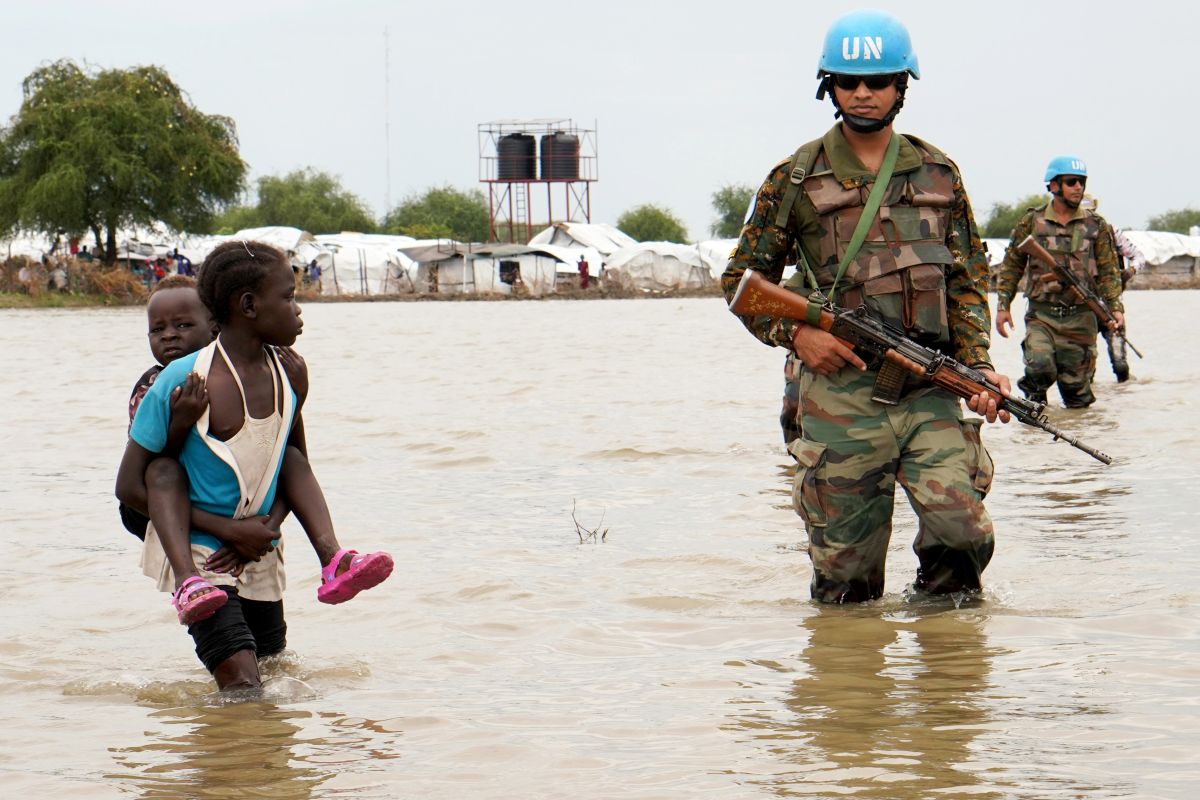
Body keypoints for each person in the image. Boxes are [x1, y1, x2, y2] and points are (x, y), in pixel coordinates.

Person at [723, 9, 1010, 604]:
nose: (862, 93)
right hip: (842, 394)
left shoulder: (938, 172)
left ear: (902, 85)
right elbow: (740, 283)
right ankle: (853, 692)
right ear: (828, 86)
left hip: (930, 387)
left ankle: (946, 670)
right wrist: (797, 336)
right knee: (847, 582)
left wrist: (978, 364)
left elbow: (965, 281)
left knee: (962, 536)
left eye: (878, 81)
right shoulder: (796, 177)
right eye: (848, 81)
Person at [116, 242, 394, 690]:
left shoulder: (288, 373)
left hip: (258, 542)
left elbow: (291, 461)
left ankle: (335, 559)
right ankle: (189, 587)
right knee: (243, 685)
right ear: (248, 306)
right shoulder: (177, 381)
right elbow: (130, 486)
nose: (298, 310)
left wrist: (263, 530)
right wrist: (230, 532)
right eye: (288, 297)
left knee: (274, 669)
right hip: (203, 547)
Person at [994, 157, 1124, 406]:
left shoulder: (1096, 225)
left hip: (1081, 317)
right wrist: (1003, 307)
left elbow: (1109, 272)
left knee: (1077, 392)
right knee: (1039, 367)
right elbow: (1011, 267)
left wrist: (1116, 307)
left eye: (1082, 182)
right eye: (1071, 182)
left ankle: (1077, 437)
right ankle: (1034, 422)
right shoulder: (1031, 222)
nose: (1078, 187)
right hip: (1042, 316)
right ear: (1053, 186)